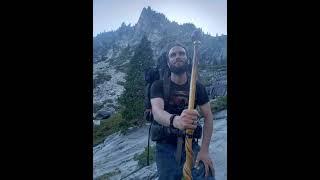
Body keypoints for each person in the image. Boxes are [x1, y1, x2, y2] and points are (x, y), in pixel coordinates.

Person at [150, 42, 215, 180]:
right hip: (165, 147)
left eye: (181, 53)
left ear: (188, 59)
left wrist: (204, 150)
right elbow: (157, 111)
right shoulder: (158, 86)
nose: (177, 56)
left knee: (207, 175)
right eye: (173, 55)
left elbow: (208, 116)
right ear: (168, 63)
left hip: (191, 143)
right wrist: (176, 121)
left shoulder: (198, 87)